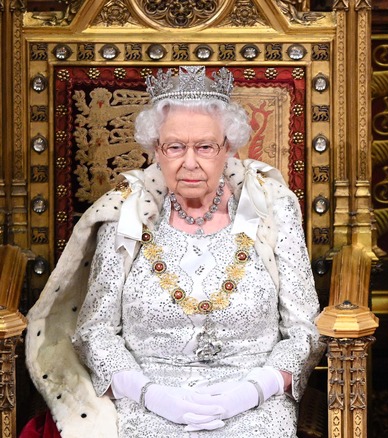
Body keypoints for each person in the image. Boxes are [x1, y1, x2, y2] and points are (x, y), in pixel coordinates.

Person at [25, 65, 323, 437]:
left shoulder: (271, 209)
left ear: (228, 147)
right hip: (147, 401)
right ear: (155, 150)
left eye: (205, 146)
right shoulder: (126, 216)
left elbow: (304, 331)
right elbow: (95, 331)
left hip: (254, 403)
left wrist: (252, 391)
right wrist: (150, 395)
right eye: (175, 147)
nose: (190, 162)